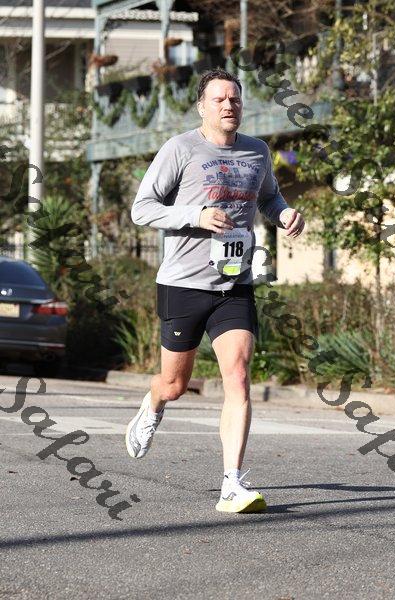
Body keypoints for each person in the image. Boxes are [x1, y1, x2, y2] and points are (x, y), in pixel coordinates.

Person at [127, 68, 305, 513]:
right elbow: (142, 209)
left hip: (234, 284)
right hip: (183, 283)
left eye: (235, 99)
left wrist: (284, 214)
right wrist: (196, 215)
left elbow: (269, 198)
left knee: (238, 376)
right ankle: (153, 403)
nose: (229, 106)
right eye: (219, 99)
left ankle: (232, 483)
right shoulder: (180, 149)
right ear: (201, 107)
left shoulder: (257, 151)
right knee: (175, 384)